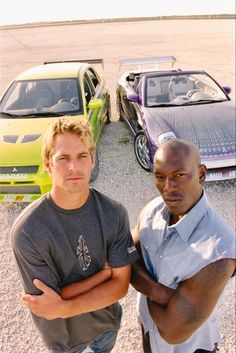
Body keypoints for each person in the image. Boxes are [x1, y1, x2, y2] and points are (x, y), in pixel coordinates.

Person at [11, 116, 139, 353]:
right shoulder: (27, 230)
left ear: (92, 160)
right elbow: (47, 299)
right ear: (48, 164)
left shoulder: (114, 213)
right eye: (63, 158)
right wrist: (103, 275)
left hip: (106, 328)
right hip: (63, 340)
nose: (74, 167)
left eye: (82, 156)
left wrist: (63, 307)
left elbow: (120, 286)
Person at [131, 139, 235, 353]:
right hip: (149, 333)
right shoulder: (152, 211)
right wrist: (158, 292)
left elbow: (173, 331)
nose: (168, 188)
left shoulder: (218, 251)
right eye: (160, 177)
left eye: (179, 175)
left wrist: (141, 281)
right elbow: (126, 255)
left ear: (201, 174)